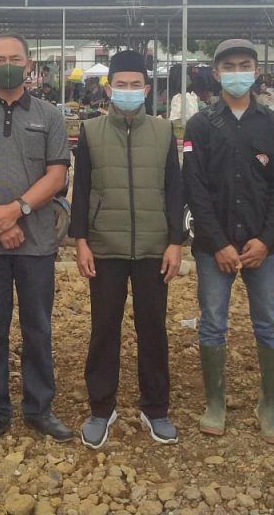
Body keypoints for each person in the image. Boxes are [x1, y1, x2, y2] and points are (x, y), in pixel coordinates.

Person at [0, 33, 73, 444]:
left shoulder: (50, 115)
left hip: (37, 242)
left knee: (38, 327)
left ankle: (39, 408)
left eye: (15, 58)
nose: (8, 64)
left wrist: (15, 211)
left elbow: (57, 176)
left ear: (28, 65)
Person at [70, 50, 184, 449]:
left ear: (147, 89)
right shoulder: (91, 132)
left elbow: (175, 191)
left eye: (137, 85)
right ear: (109, 88)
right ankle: (102, 408)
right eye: (122, 84)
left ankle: (156, 408)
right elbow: (81, 189)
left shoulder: (164, 131)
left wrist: (175, 242)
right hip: (106, 246)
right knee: (104, 328)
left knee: (153, 327)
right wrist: (81, 241)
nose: (129, 91)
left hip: (155, 247)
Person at [182, 39, 274, 444]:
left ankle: (269, 405)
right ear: (216, 72)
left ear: (257, 71)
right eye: (228, 65)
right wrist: (218, 243)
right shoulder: (200, 125)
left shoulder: (273, 124)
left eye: (245, 64)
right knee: (213, 321)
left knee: (268, 321)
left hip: (262, 248)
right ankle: (215, 401)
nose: (237, 71)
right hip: (216, 249)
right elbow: (194, 188)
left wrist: (268, 240)